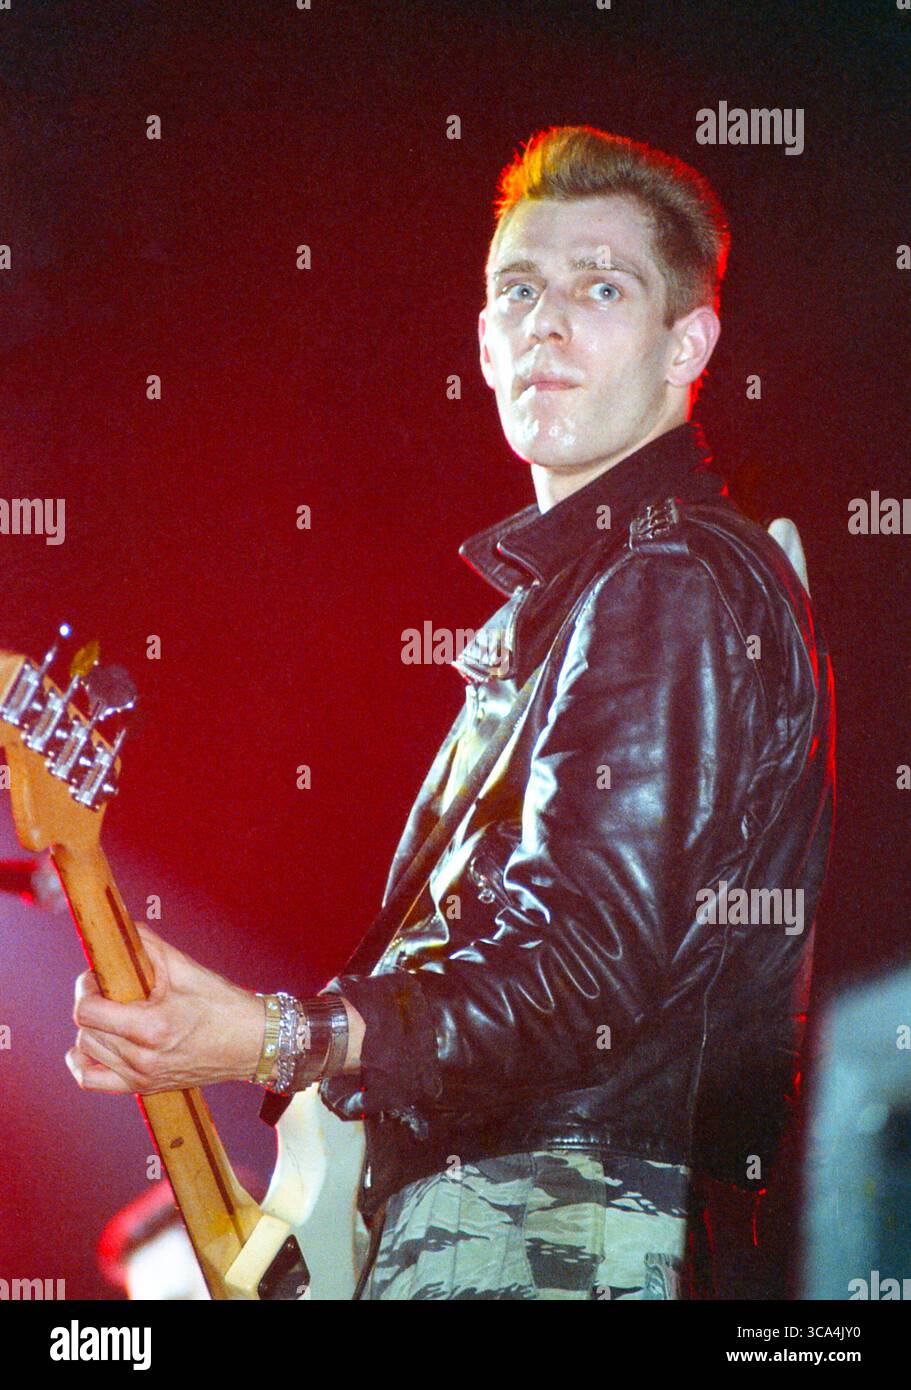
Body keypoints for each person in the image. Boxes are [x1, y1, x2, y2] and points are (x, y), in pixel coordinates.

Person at [66, 125, 836, 1300]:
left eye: (602, 286)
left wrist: (276, 1035)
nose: (546, 320)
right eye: (518, 290)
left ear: (688, 341)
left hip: (565, 1232)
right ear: (480, 342)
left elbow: (578, 967)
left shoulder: (666, 577)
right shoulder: (586, 601)